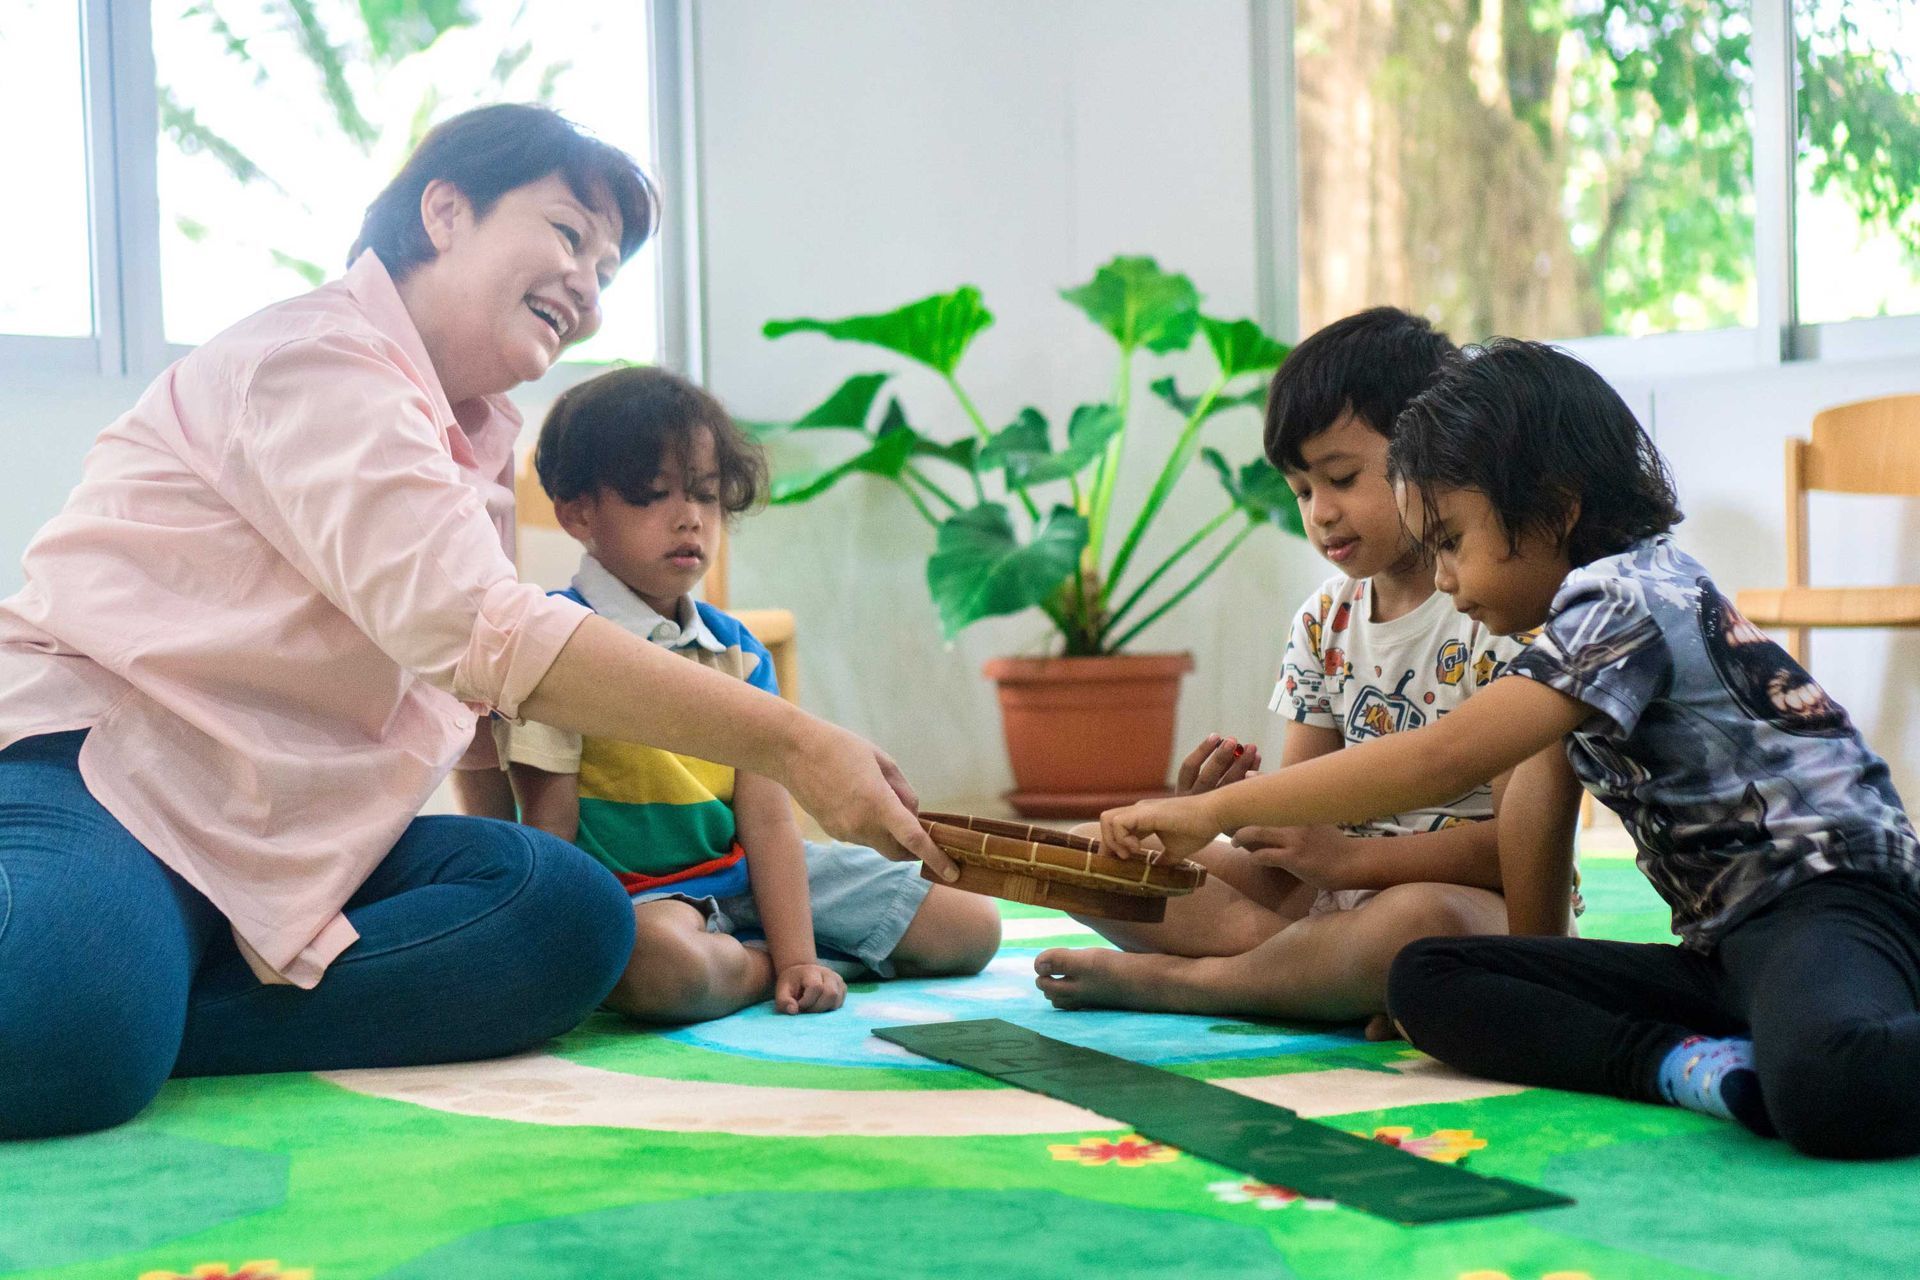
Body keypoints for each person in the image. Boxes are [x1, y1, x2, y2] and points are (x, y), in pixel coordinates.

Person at [0, 104, 953, 1141]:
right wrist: (796, 739)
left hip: (297, 834)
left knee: (569, 913)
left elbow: (473, 689)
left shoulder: (474, 434)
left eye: (608, 265)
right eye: (566, 233)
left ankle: (154, 996)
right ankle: (120, 996)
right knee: (63, 1026)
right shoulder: (317, 357)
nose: (588, 280)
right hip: (113, 779)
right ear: (444, 211)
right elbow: (477, 629)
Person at [1098, 339, 1920, 1160]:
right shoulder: (1558, 634)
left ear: (1555, 510)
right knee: (1429, 980)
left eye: (1452, 539)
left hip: (1832, 902)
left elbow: (1441, 758)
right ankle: (1690, 1066)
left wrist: (1208, 810)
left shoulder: (1632, 597)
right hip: (1724, 950)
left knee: (1828, 1082)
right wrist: (1528, 980)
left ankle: (1781, 1049)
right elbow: (1536, 805)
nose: (1445, 576)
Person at [1035, 308, 1554, 1034]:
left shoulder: (1492, 610)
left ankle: (1203, 985)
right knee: (1088, 854)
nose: (1322, 514)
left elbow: (1517, 853)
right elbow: (1302, 825)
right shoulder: (1323, 621)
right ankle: (1321, 979)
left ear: (1436, 454)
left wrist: (1351, 863)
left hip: (1458, 905)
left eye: (1342, 478)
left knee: (1416, 922)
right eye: (1303, 490)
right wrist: (1232, 809)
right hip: (1328, 902)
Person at [501, 367, 1001, 1023]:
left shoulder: (735, 650)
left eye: (706, 496)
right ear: (578, 513)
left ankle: (762, 957)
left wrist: (799, 954)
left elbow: (767, 820)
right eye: (653, 496)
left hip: (743, 876)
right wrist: (553, 968)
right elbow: (552, 835)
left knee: (973, 926)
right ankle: (761, 965)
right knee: (661, 971)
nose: (689, 520)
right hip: (647, 902)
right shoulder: (558, 648)